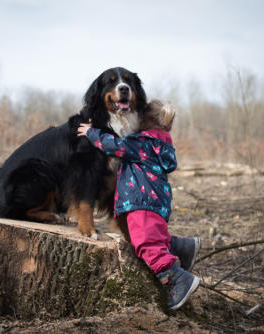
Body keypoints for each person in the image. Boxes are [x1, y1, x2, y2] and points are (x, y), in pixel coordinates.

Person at [77, 99, 201, 310]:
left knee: (146, 244)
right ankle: (184, 247)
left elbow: (113, 145)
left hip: (140, 202)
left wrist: (91, 133)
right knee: (155, 238)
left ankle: (178, 280)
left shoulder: (141, 142)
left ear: (143, 120)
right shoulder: (162, 144)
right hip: (156, 202)